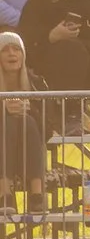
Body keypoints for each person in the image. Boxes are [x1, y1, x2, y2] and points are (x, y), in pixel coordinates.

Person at [0, 31, 47, 223]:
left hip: (28, 153)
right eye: (5, 50)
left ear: (23, 54)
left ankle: (36, 195)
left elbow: (51, 125)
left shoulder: (36, 83)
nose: (12, 54)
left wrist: (31, 110)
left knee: (27, 120)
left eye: (16, 49)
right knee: (8, 121)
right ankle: (4, 193)